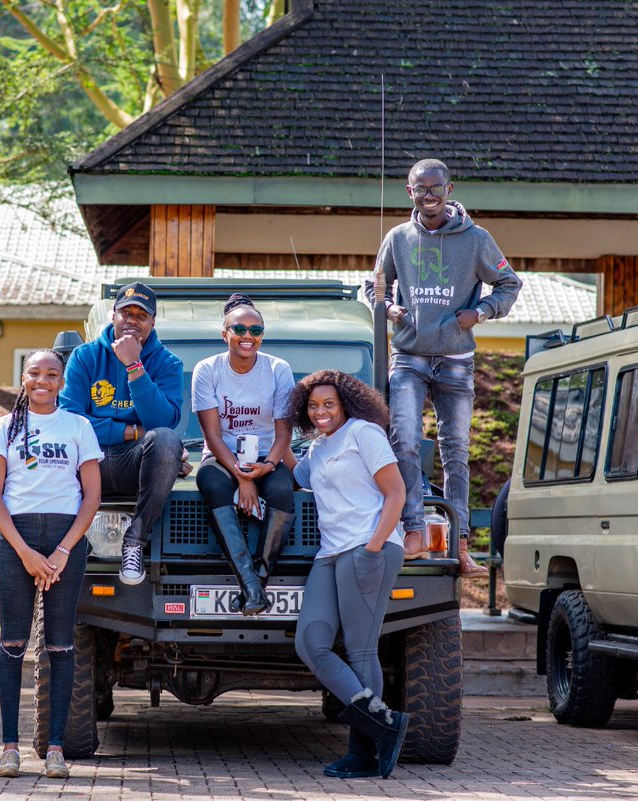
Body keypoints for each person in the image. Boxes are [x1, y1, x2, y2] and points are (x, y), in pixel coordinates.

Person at [363, 158, 522, 577]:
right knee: (406, 441)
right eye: (421, 190)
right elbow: (371, 286)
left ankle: (459, 542)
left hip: (456, 360)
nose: (429, 197)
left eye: (436, 189)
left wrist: (481, 313)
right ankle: (413, 528)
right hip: (409, 357)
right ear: (409, 193)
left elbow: (509, 284)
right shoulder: (397, 238)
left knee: (456, 451)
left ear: (449, 190)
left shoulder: (476, 239)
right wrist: (391, 307)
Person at [0, 349, 103, 779]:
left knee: (60, 645)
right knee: (13, 643)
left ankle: (55, 749)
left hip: (65, 541)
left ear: (62, 381)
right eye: (35, 373)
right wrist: (25, 552)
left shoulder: (78, 426)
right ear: (24, 377)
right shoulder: (4, 427)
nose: (43, 381)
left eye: (52, 374)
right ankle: (10, 747)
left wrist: (63, 551)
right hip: (16, 540)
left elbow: (92, 496)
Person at [289, 369, 409, 780]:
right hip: (330, 553)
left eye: (328, 404)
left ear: (346, 404)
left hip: (366, 547)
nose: (320, 411)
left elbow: (396, 491)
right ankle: (384, 725)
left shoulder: (364, 433)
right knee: (311, 642)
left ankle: (362, 754)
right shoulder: (318, 448)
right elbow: (293, 473)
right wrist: (275, 432)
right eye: (313, 406)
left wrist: (375, 545)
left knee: (360, 651)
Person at [58, 281, 186, 586]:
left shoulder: (168, 363)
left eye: (140, 315)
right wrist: (129, 431)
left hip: (134, 465)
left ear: (152, 323)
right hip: (90, 462)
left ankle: (134, 542)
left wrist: (134, 366)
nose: (131, 320)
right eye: (125, 313)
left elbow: (162, 424)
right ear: (113, 316)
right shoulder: (85, 357)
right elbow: (71, 421)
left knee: (167, 442)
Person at [191, 293, 296, 615]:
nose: (247, 336)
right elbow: (212, 434)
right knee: (210, 482)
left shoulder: (278, 369)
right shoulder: (207, 370)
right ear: (225, 335)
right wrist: (242, 477)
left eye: (255, 330)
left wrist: (267, 466)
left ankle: (255, 586)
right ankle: (251, 585)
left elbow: (283, 433)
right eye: (239, 329)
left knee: (281, 489)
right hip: (222, 457)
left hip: (267, 453)